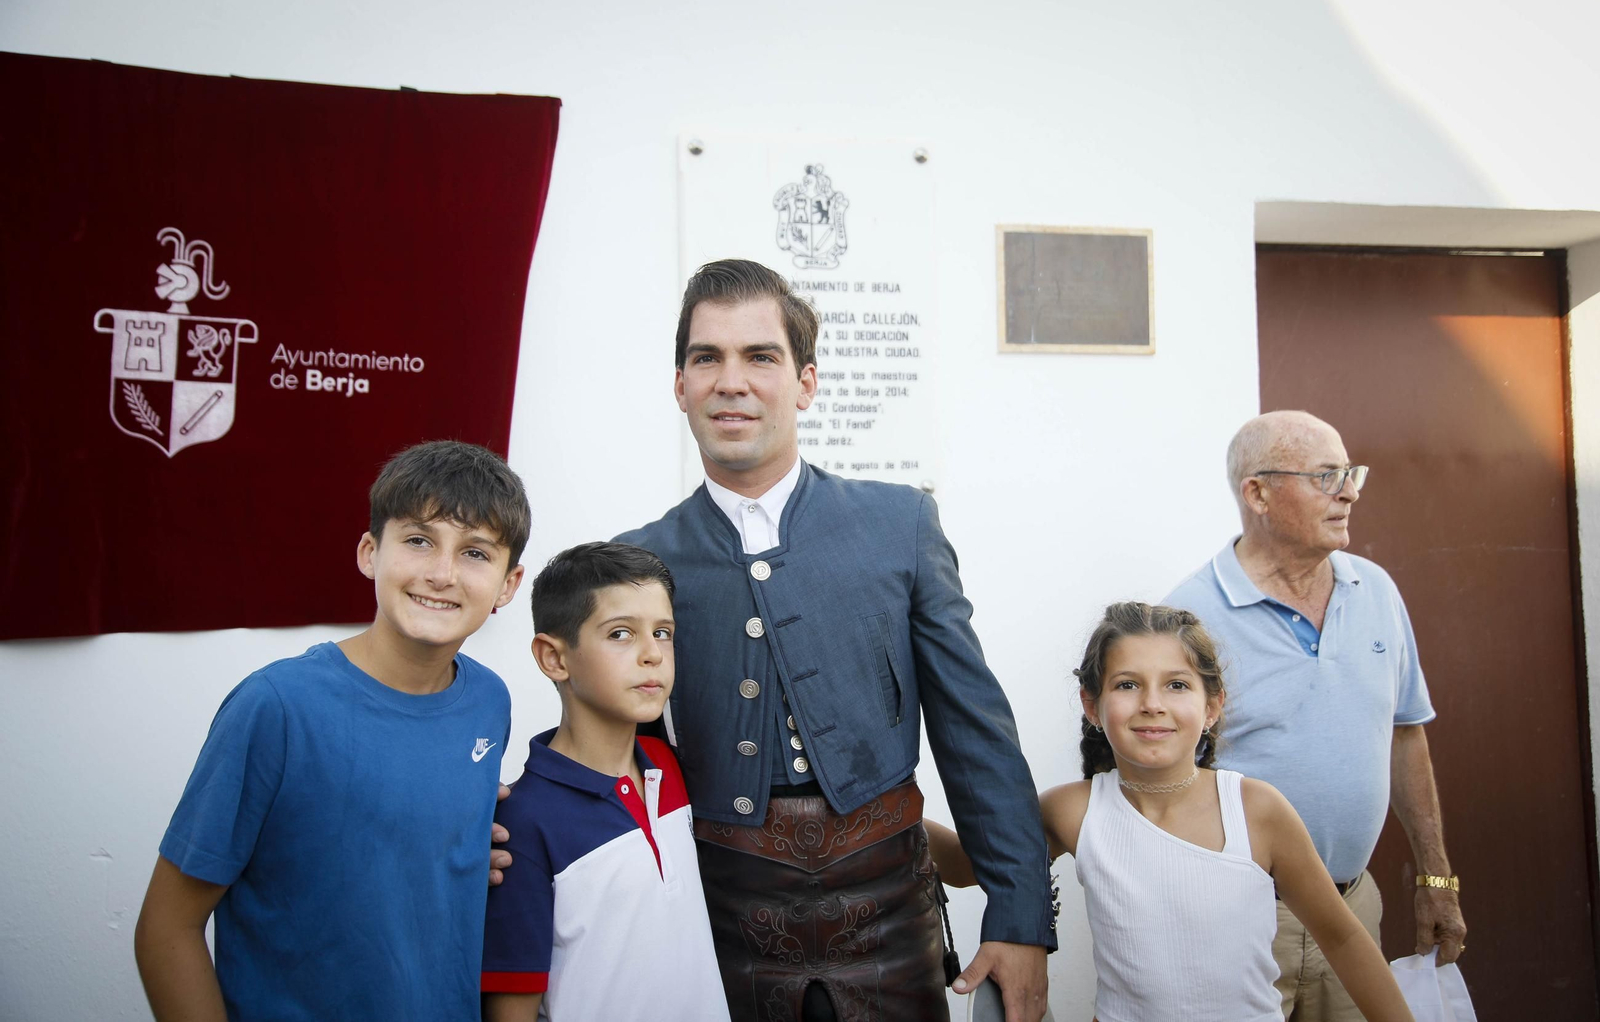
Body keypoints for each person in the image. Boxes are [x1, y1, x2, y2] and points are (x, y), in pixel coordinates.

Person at [611, 259, 1055, 1022]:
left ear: (806, 383)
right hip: (718, 920)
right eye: (706, 358)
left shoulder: (900, 525)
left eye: (760, 356)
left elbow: (974, 730)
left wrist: (1020, 918)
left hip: (890, 912)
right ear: (680, 385)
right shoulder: (636, 560)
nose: (731, 380)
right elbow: (617, 746)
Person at [133, 440, 529, 1022]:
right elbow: (167, 929)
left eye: (475, 553)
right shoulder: (276, 707)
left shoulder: (489, 701)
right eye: (418, 540)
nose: (441, 573)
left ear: (508, 585)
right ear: (371, 551)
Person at [927, 602, 1415, 1022]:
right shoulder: (1074, 810)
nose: (1153, 704)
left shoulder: (1256, 810)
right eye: (1128, 685)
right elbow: (965, 864)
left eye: (1177, 685)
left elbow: (1344, 940)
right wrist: (887, 810)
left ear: (1212, 706)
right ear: (1092, 706)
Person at [1165, 410, 1465, 1020]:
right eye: (1327, 477)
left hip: (1353, 907)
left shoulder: (1375, 590)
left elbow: (1405, 736)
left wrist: (1437, 878)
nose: (1350, 491)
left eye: (1351, 473)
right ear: (1259, 493)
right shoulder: (1187, 617)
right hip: (1238, 917)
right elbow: (1158, 777)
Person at [481, 542, 729, 1021]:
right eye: (620, 634)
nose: (652, 654)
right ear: (554, 658)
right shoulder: (521, 822)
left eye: (663, 632)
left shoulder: (670, 767)